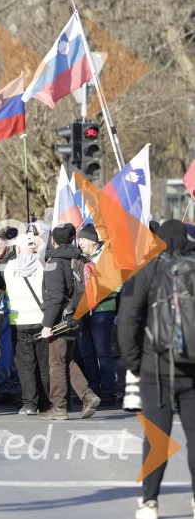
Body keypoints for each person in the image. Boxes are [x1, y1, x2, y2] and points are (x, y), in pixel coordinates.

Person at [119, 220, 195, 519]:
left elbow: (127, 319)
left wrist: (134, 363)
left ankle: (149, 502)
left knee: (157, 437)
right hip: (193, 368)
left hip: (156, 367)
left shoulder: (146, 268)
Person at [39, 223, 100, 420]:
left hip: (60, 320)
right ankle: (87, 395)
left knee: (56, 362)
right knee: (67, 359)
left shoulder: (55, 261)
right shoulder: (80, 258)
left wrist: (48, 324)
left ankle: (59, 407)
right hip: (76, 317)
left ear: (54, 240)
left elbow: (55, 296)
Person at [1, 228, 50, 415]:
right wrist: (39, 245)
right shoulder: (43, 265)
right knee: (44, 365)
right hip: (41, 321)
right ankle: (45, 403)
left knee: (25, 365)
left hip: (20, 322)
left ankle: (29, 404)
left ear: (18, 249)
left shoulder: (9, 267)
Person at [76, 223, 118, 406]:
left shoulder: (107, 257)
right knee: (87, 353)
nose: (80, 243)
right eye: (79, 239)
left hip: (102, 310)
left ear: (94, 241)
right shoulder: (80, 258)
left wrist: (94, 294)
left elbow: (117, 285)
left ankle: (108, 390)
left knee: (103, 353)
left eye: (83, 239)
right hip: (84, 312)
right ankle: (94, 389)